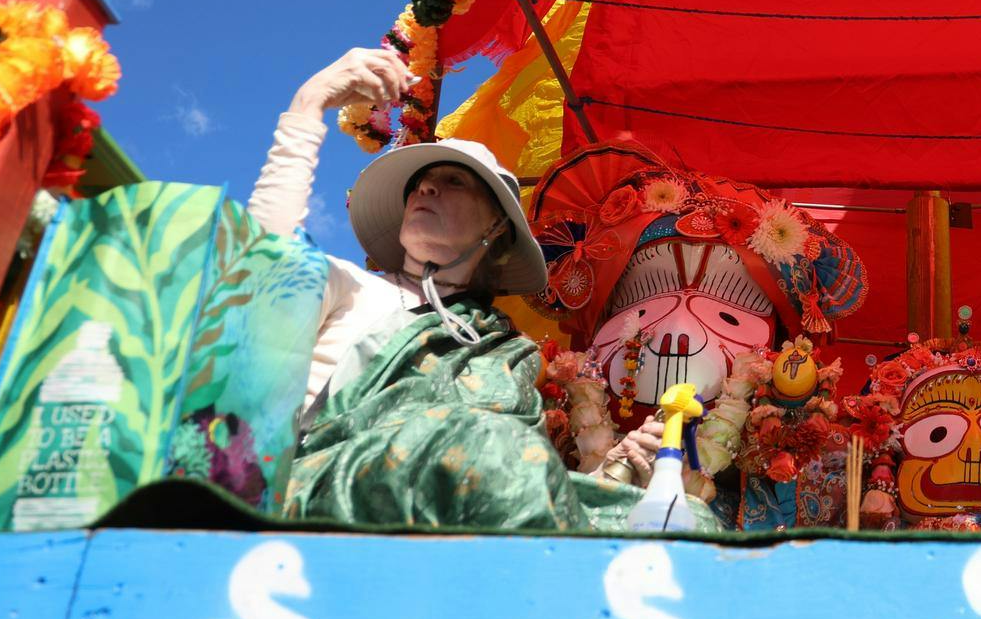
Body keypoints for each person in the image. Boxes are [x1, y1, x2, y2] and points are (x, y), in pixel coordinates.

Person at [247, 48, 702, 531]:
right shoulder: (352, 285)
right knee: (485, 441)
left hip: (465, 487)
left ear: (496, 232)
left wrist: (618, 466)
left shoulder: (510, 352)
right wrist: (307, 104)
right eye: (419, 185)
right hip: (323, 487)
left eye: (452, 181)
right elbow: (259, 269)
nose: (425, 190)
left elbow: (522, 482)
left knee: (690, 515)